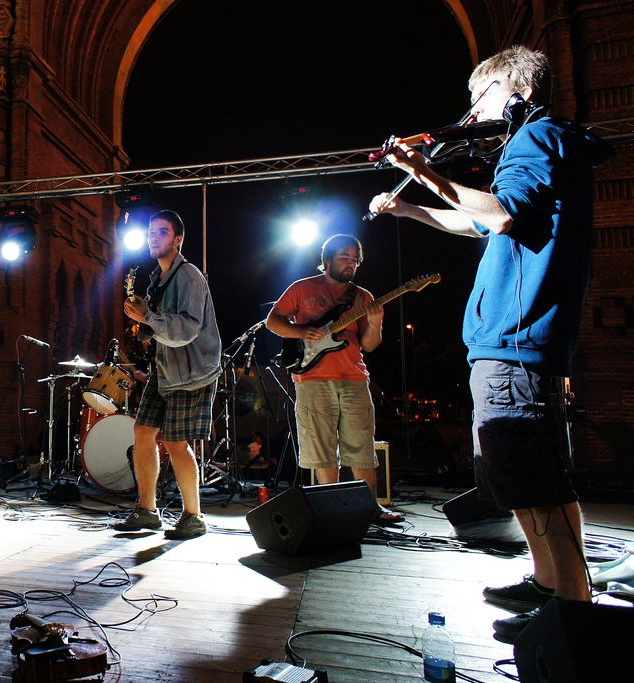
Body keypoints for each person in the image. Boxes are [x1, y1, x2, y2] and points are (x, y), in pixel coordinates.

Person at [367, 45, 612, 643]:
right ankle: (550, 581)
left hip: (516, 338)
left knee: (531, 475)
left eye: (479, 98)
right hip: (519, 338)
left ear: (512, 89)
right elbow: (476, 220)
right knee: (529, 474)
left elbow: (499, 214)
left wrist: (425, 170)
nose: (471, 115)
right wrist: (410, 209)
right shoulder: (549, 144)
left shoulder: (535, 139)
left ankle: (570, 610)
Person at [265, 234, 399, 521]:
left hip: (354, 377)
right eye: (344, 258)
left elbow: (369, 344)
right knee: (322, 450)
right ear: (327, 260)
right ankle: (332, 509)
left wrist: (375, 322)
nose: (351, 264)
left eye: (355, 260)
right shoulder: (302, 289)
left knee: (361, 447)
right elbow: (273, 321)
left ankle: (370, 508)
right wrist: (301, 332)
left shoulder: (363, 297)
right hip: (312, 379)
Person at [115, 210, 222, 540]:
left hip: (192, 374)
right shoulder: (158, 279)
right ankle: (147, 511)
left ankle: (194, 516)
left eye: (162, 232)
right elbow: (158, 327)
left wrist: (147, 317)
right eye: (151, 231)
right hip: (165, 371)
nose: (153, 237)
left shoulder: (188, 275)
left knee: (176, 442)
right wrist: (142, 317)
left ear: (178, 240)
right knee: (143, 431)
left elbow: (187, 329)